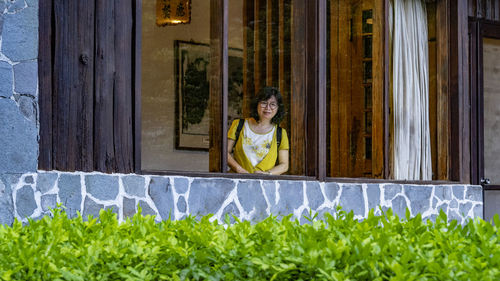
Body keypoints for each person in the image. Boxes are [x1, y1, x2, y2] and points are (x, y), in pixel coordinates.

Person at [227, 87, 289, 175]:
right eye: (264, 103)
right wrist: (238, 169)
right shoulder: (238, 125)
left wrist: (267, 174)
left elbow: (284, 165)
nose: (268, 108)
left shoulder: (281, 133)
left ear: (278, 108)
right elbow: (225, 153)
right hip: (238, 182)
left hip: (264, 185)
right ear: (256, 104)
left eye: (273, 104)